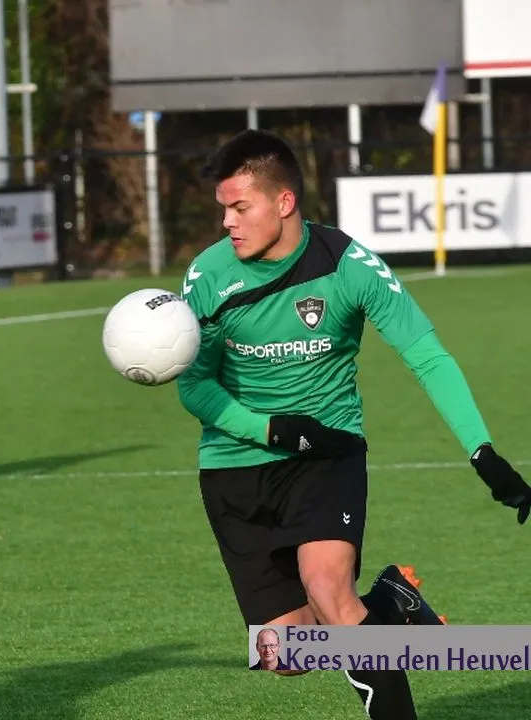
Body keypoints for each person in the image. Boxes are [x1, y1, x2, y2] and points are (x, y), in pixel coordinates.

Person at [177, 129, 531, 716]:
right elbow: (194, 383)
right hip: (235, 469)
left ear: (283, 202)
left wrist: (482, 452)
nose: (228, 223)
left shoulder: (349, 265)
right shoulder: (209, 276)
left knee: (330, 593)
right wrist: (268, 430)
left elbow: (426, 354)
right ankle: (390, 607)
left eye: (240, 207)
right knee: (286, 652)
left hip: (327, 454)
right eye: (224, 209)